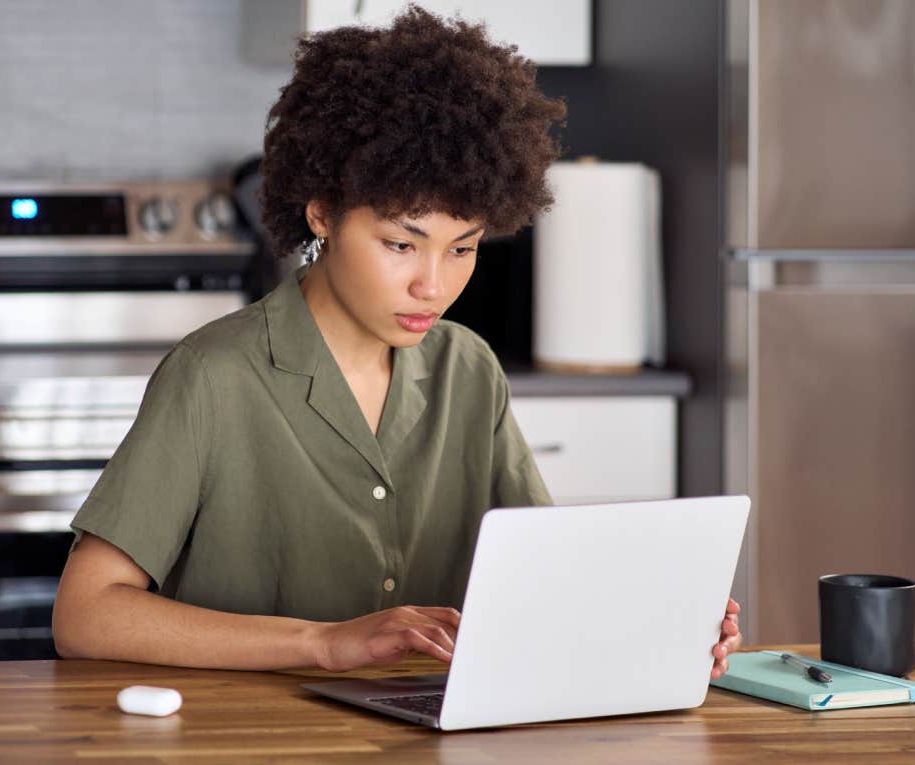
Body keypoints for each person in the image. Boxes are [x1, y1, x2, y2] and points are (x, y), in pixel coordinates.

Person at [52, 6, 742, 677]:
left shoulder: (468, 370)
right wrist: (323, 642)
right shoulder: (212, 375)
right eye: (400, 244)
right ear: (321, 210)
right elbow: (85, 614)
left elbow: (544, 578)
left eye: (463, 249)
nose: (432, 286)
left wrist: (663, 619)